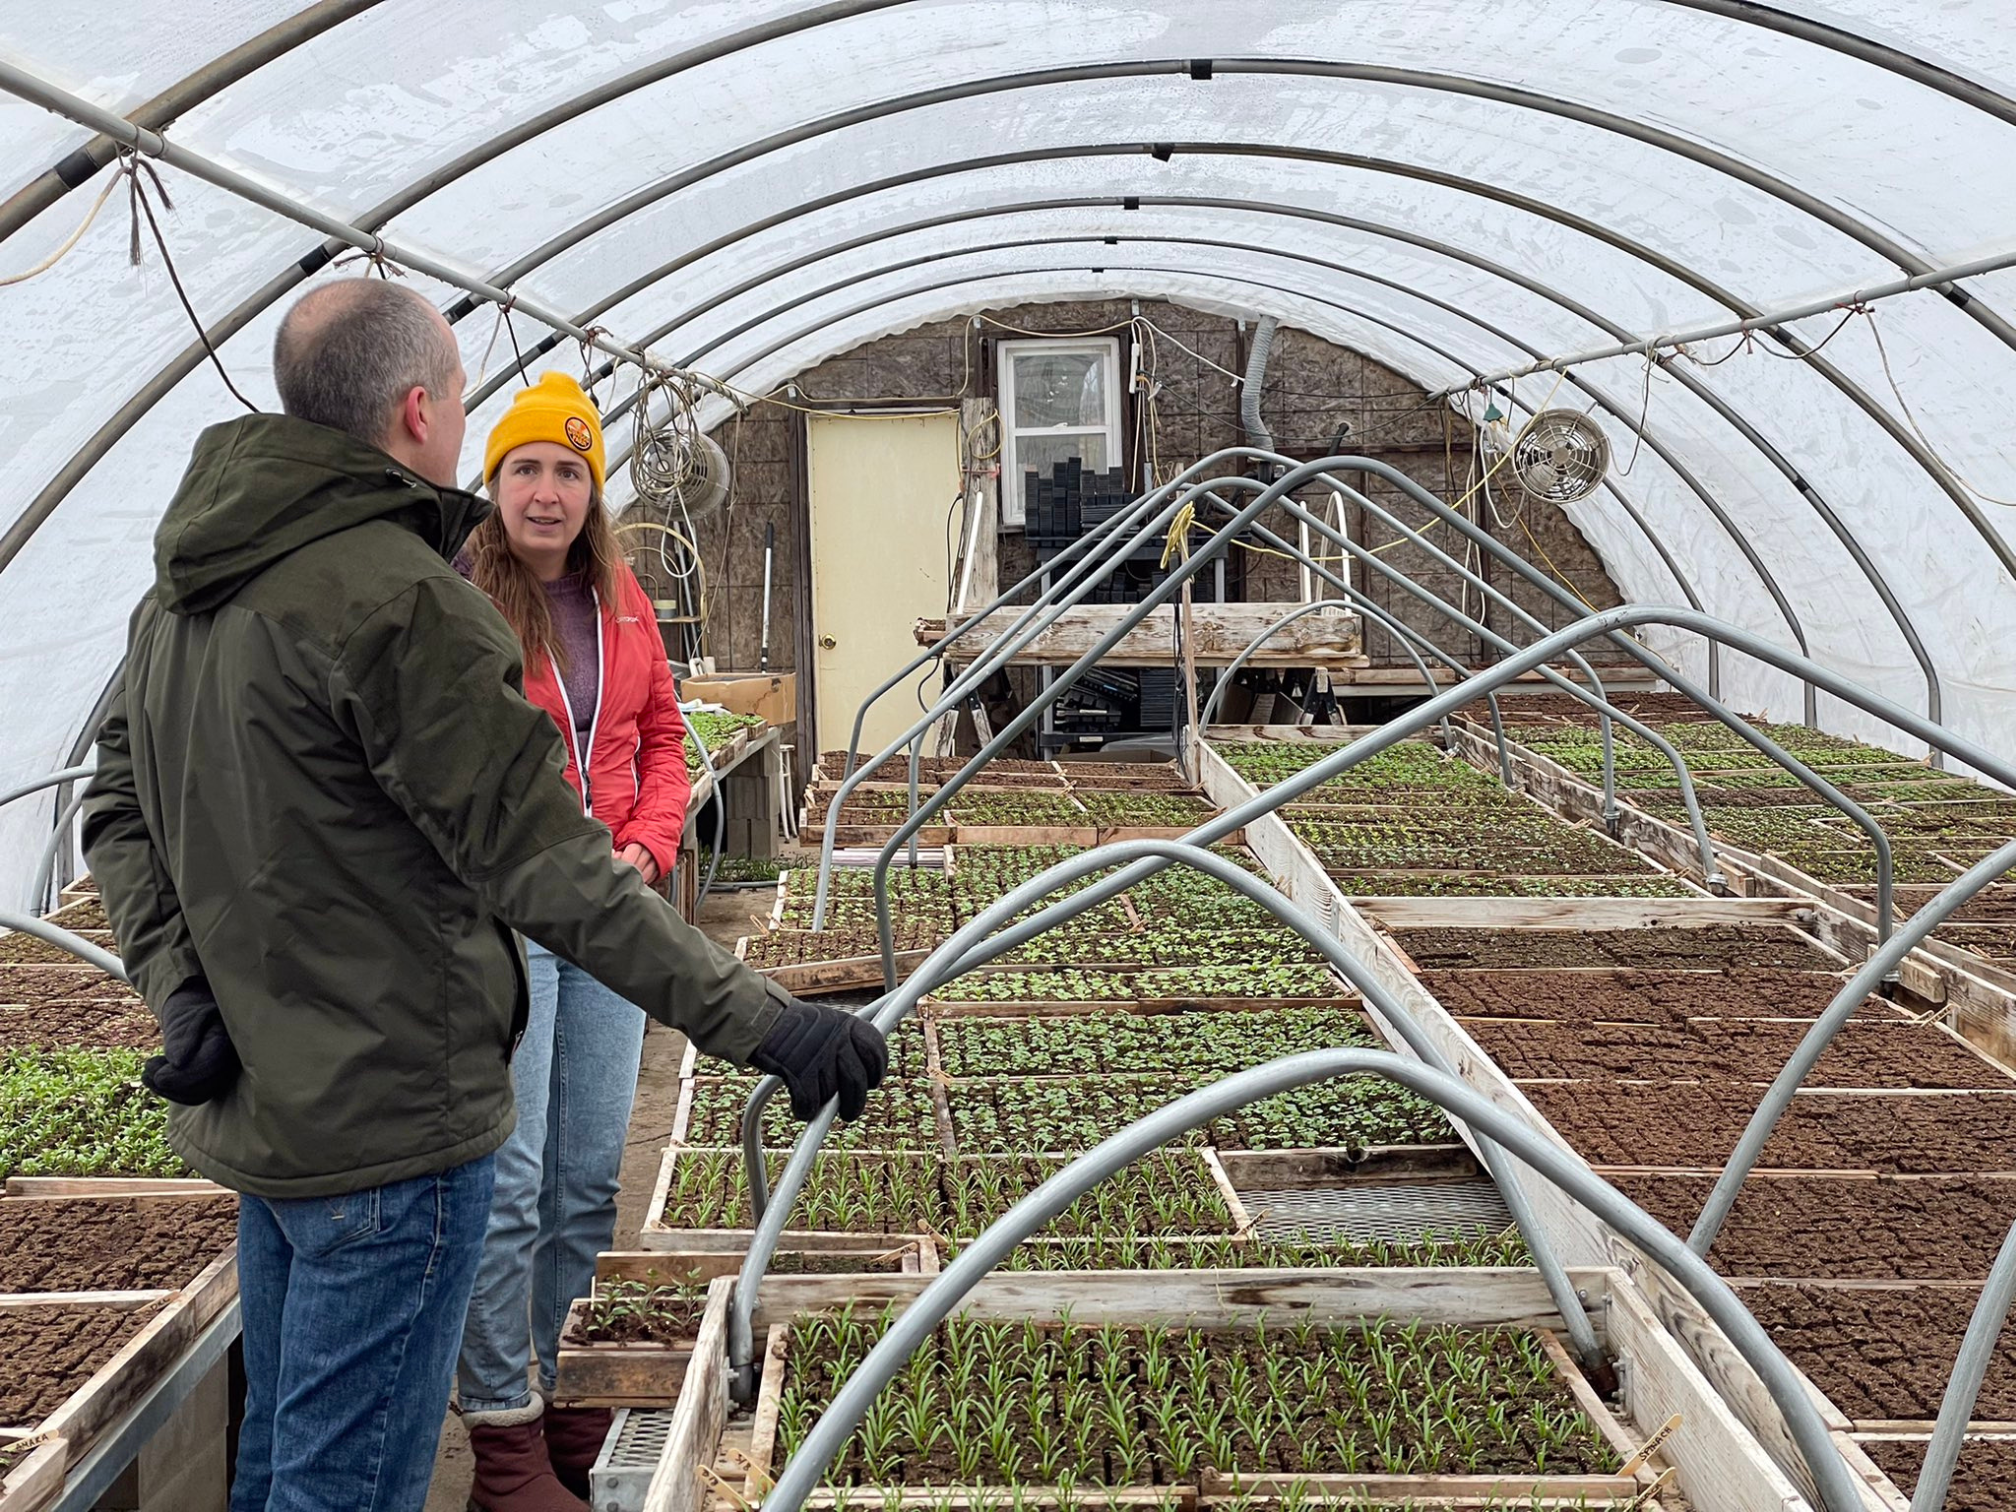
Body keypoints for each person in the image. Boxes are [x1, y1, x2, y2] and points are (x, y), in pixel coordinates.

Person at [79, 278, 887, 1512]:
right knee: (345, 1487)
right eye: (462, 400)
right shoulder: (401, 602)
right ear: (417, 411)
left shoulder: (182, 591)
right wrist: (765, 1025)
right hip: (393, 1129)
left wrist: (180, 986)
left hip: (270, 1119)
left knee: (284, 1470)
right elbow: (545, 862)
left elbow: (115, 813)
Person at [452, 374, 690, 1507]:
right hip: (505, 924)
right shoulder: (457, 601)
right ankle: (502, 1433)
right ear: (494, 483)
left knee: (589, 1179)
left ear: (594, 491)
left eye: (568, 471)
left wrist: (647, 846)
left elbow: (661, 737)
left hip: (611, 919)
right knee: (513, 1181)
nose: (546, 492)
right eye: (525, 468)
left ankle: (564, 1390)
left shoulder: (622, 600)